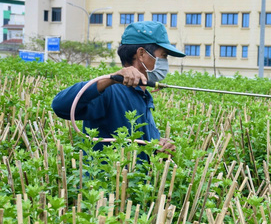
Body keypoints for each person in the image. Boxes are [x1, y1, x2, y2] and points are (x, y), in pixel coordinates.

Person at [51, 20, 185, 155]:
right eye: (163, 56)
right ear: (141, 54)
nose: (165, 62)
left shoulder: (143, 96)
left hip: (134, 176)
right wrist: (110, 79)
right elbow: (60, 106)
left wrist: (159, 144)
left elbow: (139, 143)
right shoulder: (109, 90)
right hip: (110, 176)